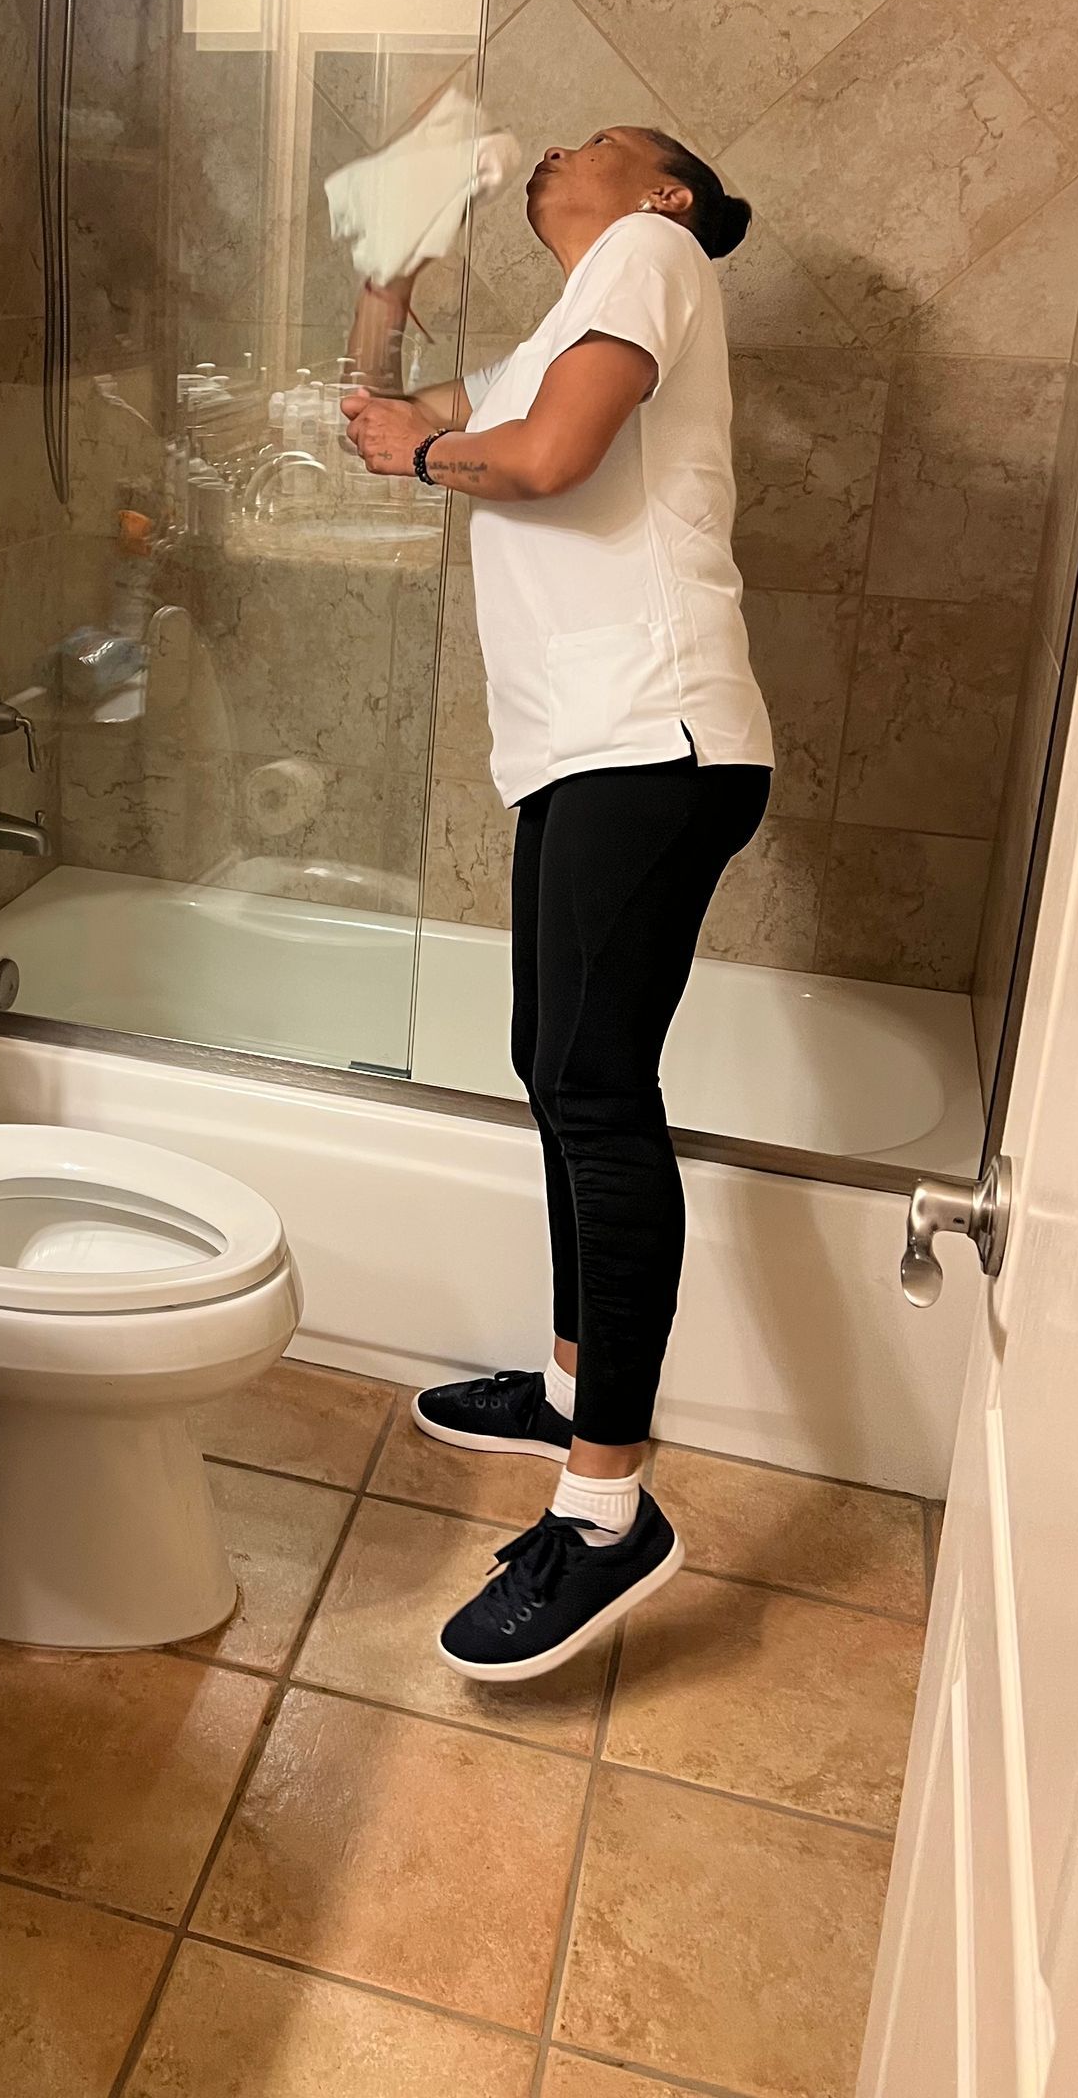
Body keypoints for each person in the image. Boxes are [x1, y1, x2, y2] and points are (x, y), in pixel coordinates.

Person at [342, 125, 772, 1684]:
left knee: (596, 1093)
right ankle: (569, 1374)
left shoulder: (653, 259)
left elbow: (537, 460)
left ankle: (606, 1511)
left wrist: (424, 452)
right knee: (559, 1072)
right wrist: (386, 290)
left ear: (662, 190)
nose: (558, 154)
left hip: (652, 743)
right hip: (591, 760)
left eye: (595, 143)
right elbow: (390, 427)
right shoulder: (558, 324)